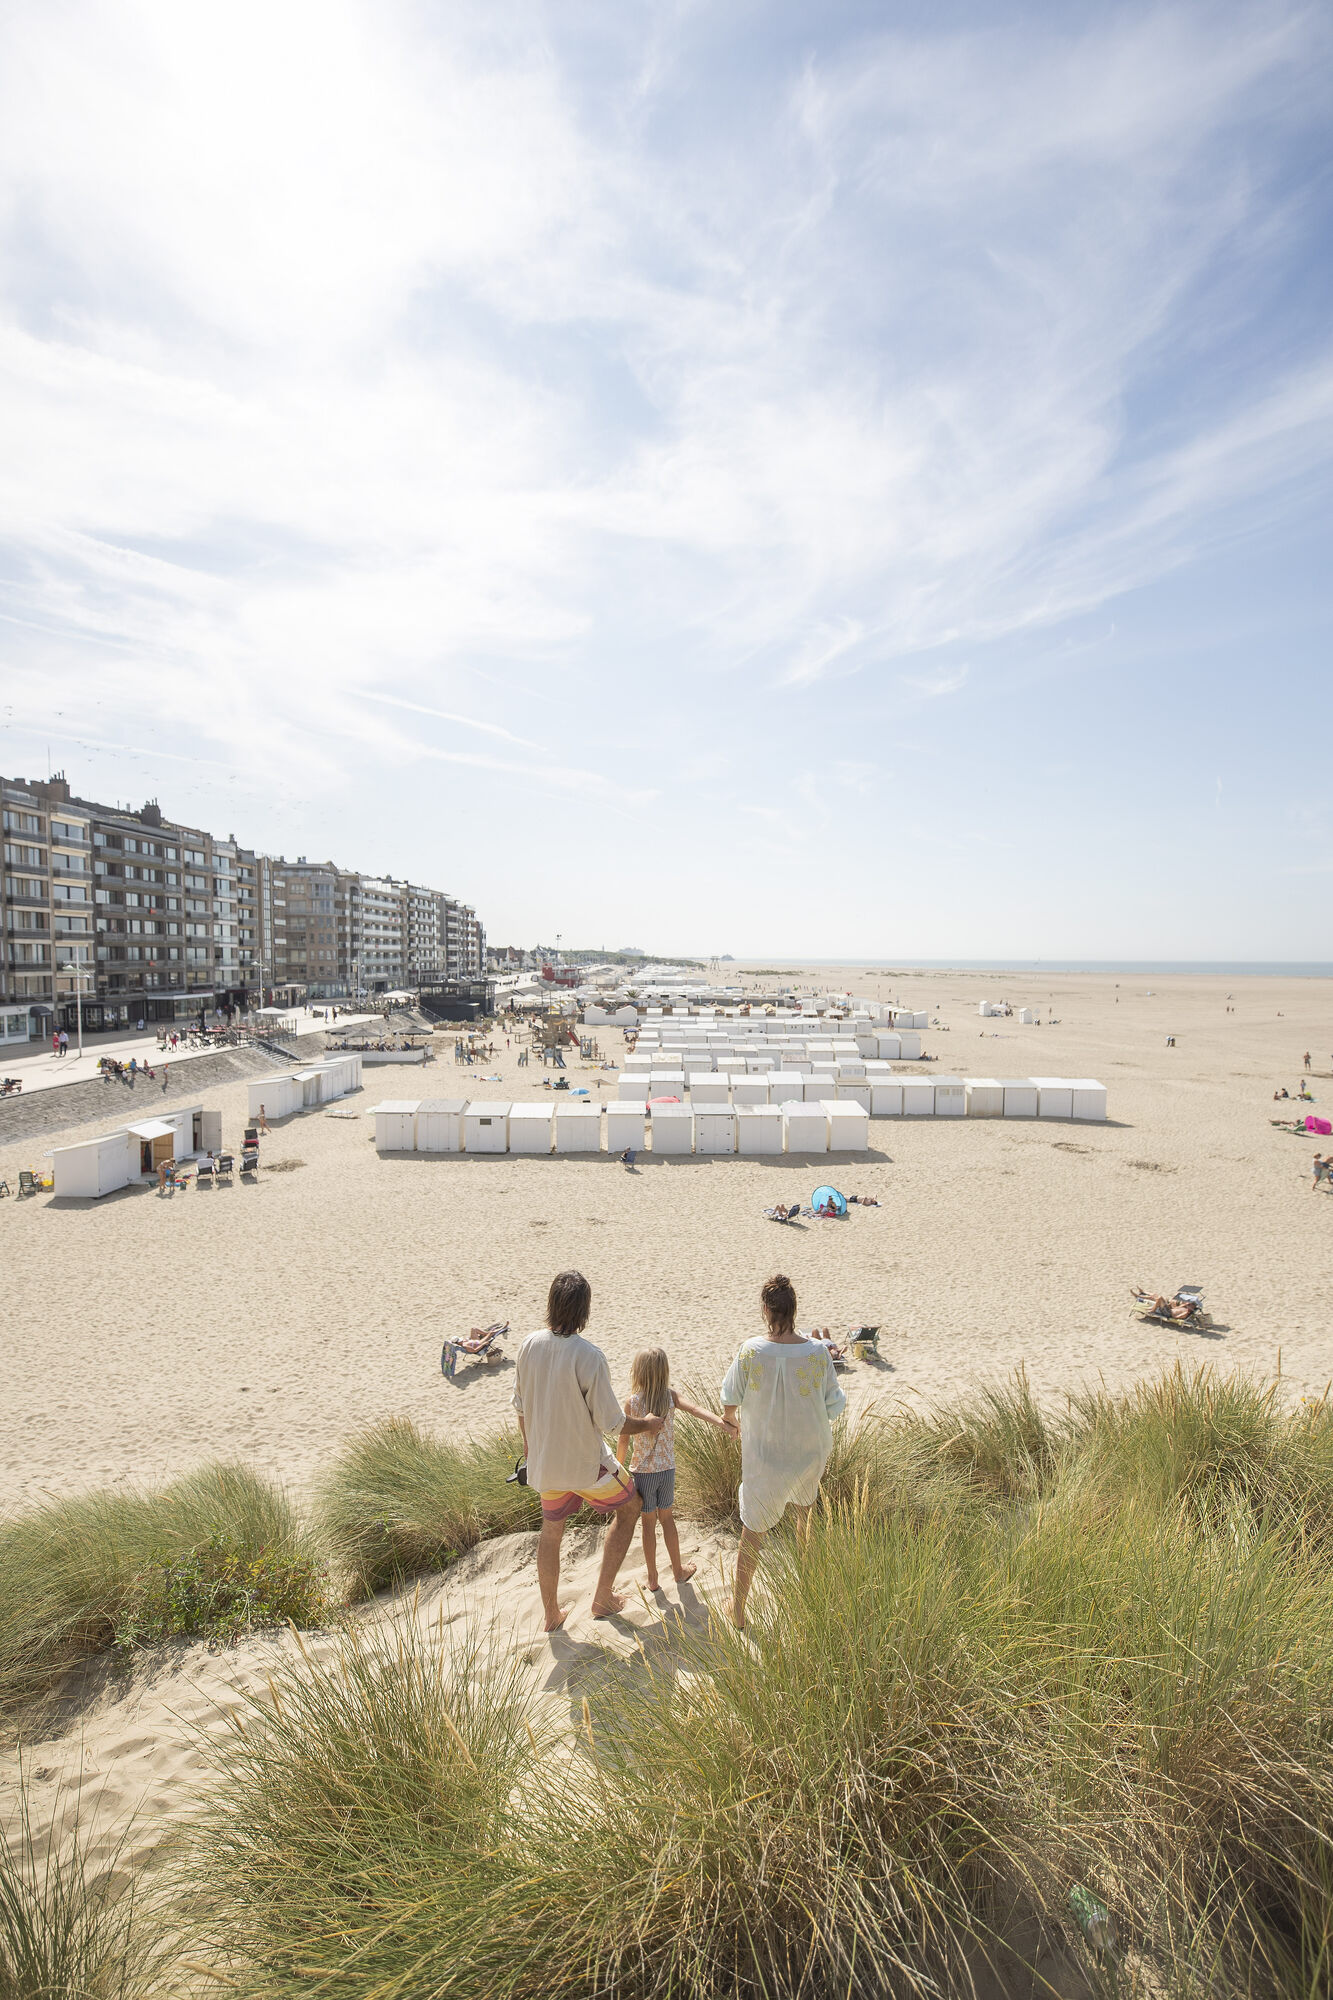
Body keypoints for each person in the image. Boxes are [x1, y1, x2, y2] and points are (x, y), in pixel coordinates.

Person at [512, 1270, 664, 1632]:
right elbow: (613, 1423)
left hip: (545, 1465)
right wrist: (648, 1423)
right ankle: (602, 1597)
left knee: (551, 1532)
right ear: (585, 1311)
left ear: (551, 1304)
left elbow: (519, 1408)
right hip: (587, 1465)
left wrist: (532, 1450)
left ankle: (551, 1615)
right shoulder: (589, 1356)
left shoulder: (528, 1344)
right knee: (631, 1507)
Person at [721, 1274, 846, 1630]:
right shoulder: (817, 1353)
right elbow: (834, 1404)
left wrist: (731, 1420)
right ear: (794, 1310)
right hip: (808, 1452)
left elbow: (730, 1397)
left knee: (753, 1531)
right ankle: (807, 1597)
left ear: (765, 1311)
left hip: (764, 1456)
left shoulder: (750, 1350)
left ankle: (739, 1609)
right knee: (804, 1520)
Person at [618, 1348, 733, 1592]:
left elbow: (624, 1439)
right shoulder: (670, 1397)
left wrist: (617, 1469)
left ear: (638, 1372)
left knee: (648, 1525)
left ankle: (652, 1578)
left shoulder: (633, 1402)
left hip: (643, 1474)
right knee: (667, 1519)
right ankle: (678, 1570)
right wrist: (723, 1424)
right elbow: (695, 1410)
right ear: (664, 1371)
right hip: (666, 1471)